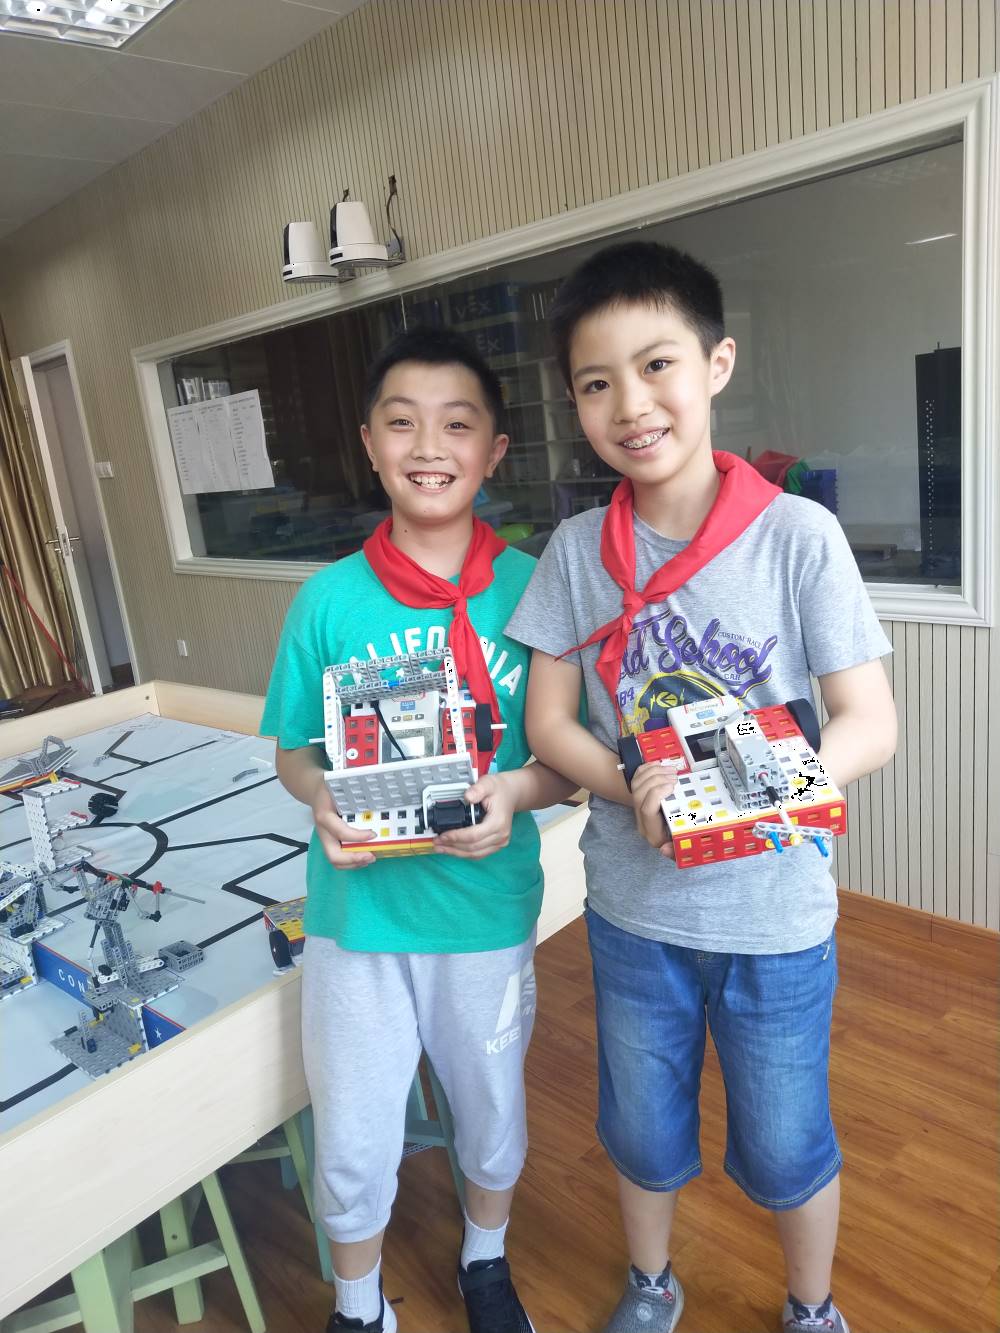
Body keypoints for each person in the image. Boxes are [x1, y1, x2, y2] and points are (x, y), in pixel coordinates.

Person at [505, 241, 897, 1333]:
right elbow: (549, 722)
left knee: (787, 1136)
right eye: (596, 382)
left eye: (657, 365)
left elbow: (870, 721)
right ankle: (651, 1283)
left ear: (716, 364)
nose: (631, 404)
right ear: (575, 403)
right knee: (641, 1127)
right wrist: (632, 782)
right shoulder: (575, 551)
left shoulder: (798, 536)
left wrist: (757, 789)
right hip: (635, 916)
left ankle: (811, 1306)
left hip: (775, 915)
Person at [262, 325, 573, 1333]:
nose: (428, 446)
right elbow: (295, 750)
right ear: (369, 443)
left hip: (483, 908)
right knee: (353, 1132)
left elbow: (568, 761)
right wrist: (319, 795)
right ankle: (358, 1307)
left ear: (495, 450)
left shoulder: (538, 590)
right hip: (357, 915)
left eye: (457, 424)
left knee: (490, 1106)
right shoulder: (326, 600)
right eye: (402, 423)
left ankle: (485, 1258)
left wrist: (516, 791)